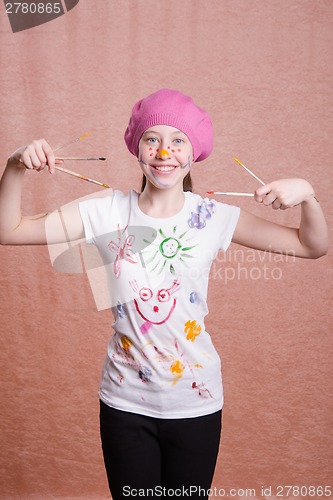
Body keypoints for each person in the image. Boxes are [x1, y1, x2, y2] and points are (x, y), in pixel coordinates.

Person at [0, 89, 329, 499]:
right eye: (152, 139)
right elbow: (6, 230)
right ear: (137, 148)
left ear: (194, 153)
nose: (164, 152)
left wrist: (309, 196)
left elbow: (311, 246)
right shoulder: (106, 212)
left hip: (196, 404)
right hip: (124, 405)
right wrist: (15, 163)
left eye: (178, 140)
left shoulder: (211, 216)